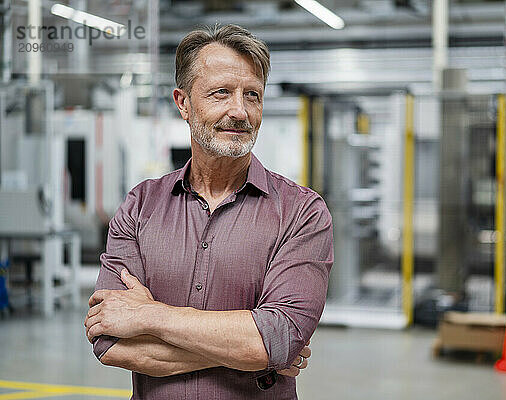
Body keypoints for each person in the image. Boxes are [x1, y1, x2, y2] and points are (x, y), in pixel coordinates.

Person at [84, 24, 334, 399]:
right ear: (182, 103)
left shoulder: (301, 212)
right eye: (221, 93)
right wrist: (252, 351)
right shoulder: (140, 205)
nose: (240, 111)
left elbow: (276, 340)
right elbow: (109, 341)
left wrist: (149, 315)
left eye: (252, 95)